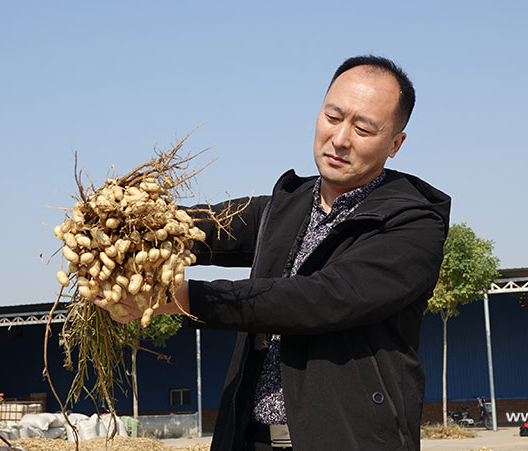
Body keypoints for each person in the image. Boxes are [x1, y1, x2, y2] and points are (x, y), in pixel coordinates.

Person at [100, 55, 450, 450]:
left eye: (363, 128)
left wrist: (183, 299)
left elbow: (320, 299)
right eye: (332, 118)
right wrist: (130, 225)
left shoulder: (411, 227)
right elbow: (209, 226)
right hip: (252, 440)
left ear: (395, 145)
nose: (340, 139)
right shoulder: (286, 207)